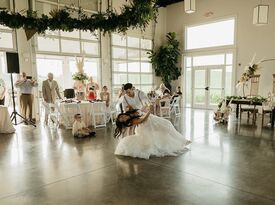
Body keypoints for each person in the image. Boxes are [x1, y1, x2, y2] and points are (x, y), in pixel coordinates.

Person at [114, 109, 191, 159]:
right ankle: (182, 141)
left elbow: (140, 112)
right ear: (124, 122)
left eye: (122, 116)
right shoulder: (132, 121)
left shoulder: (130, 113)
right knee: (166, 127)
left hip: (152, 121)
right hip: (147, 125)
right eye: (123, 119)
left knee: (167, 126)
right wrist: (149, 111)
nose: (124, 117)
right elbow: (143, 119)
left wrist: (144, 110)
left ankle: (182, 141)